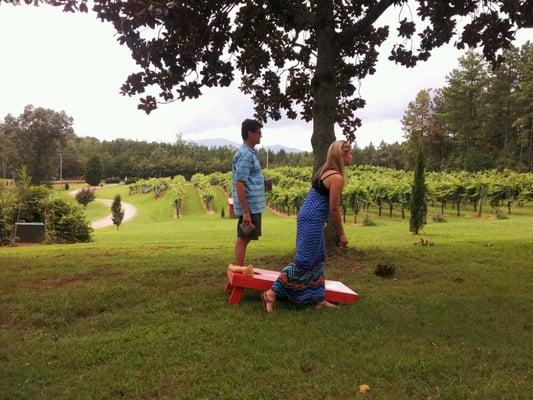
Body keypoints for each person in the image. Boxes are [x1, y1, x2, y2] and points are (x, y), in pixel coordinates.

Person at [261, 140, 352, 312]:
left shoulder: (324, 172)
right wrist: (341, 234)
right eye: (350, 153)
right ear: (342, 155)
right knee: (303, 262)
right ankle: (271, 293)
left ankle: (318, 299)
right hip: (312, 220)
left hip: (309, 218)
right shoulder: (337, 178)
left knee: (318, 259)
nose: (352, 156)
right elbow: (334, 209)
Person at [232, 119, 265, 268]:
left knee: (244, 238)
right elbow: (240, 182)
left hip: (252, 205)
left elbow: (248, 179)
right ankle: (238, 273)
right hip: (250, 206)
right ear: (250, 134)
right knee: (243, 238)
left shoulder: (249, 153)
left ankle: (237, 271)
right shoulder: (246, 155)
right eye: (258, 133)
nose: (261, 136)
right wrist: (246, 211)